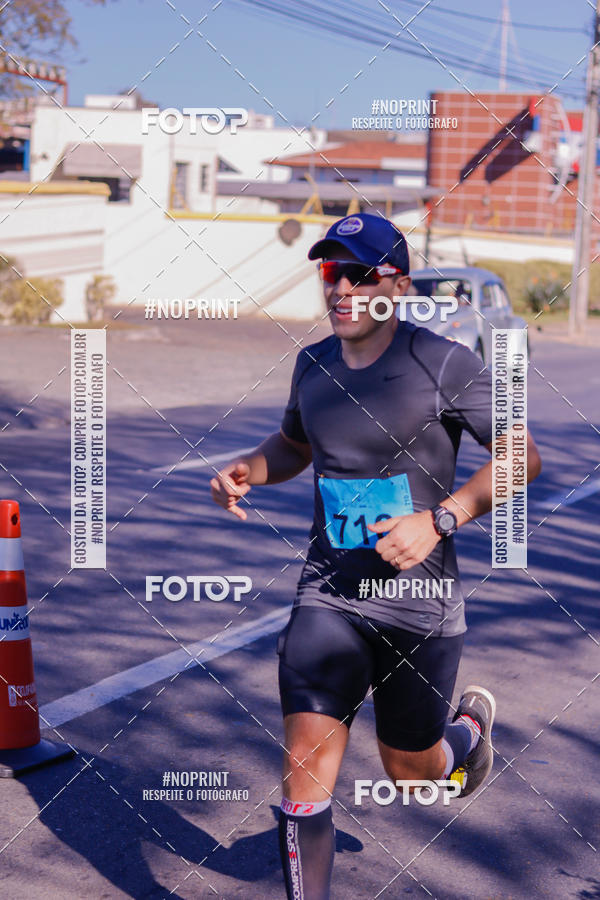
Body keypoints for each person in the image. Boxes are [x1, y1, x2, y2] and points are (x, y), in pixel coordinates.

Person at [210, 213, 542, 899]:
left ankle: (466, 735)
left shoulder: (445, 362)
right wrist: (249, 467)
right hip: (327, 596)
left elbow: (522, 456)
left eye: (360, 274)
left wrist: (442, 518)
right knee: (303, 778)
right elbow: (297, 447)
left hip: (418, 607)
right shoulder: (313, 365)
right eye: (332, 273)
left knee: (410, 769)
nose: (342, 288)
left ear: (398, 284)